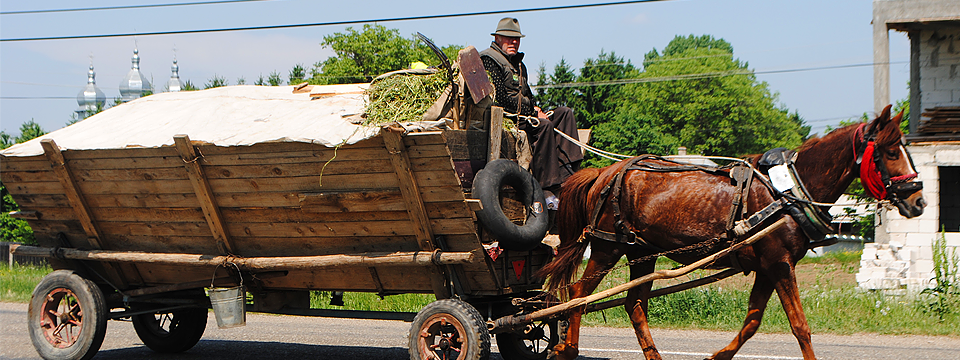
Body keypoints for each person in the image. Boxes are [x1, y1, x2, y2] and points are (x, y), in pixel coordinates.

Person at [480, 17, 583, 198]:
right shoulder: (489, 60)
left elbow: (529, 95)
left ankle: (568, 176)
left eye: (517, 39)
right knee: (544, 126)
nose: (514, 42)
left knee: (565, 114)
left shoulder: (519, 65)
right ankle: (547, 187)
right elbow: (499, 99)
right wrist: (533, 112)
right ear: (497, 38)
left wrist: (537, 109)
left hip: (526, 115)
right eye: (508, 37)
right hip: (507, 119)